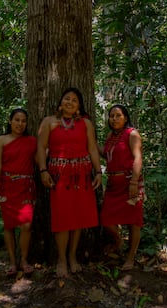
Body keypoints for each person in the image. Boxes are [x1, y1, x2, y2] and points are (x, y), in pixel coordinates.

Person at [37, 87, 102, 278]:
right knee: (63, 219)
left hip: (82, 176)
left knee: (79, 219)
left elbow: (92, 148)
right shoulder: (49, 122)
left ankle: (72, 256)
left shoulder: (86, 123)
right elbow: (41, 147)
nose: (70, 102)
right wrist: (43, 170)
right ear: (60, 102)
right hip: (59, 176)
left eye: (74, 100)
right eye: (67, 98)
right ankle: (61, 259)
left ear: (79, 105)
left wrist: (98, 171)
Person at [0, 108, 37, 276]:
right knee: (9, 225)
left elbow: (40, 158)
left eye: (23, 121)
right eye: (17, 120)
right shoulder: (1, 141)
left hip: (26, 187)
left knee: (26, 224)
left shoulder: (32, 141)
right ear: (10, 121)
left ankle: (23, 259)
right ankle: (12, 261)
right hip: (7, 186)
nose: (20, 124)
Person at [100, 104, 145, 270]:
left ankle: (130, 257)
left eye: (118, 115)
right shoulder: (111, 135)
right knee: (106, 218)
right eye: (111, 116)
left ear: (125, 117)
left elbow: (138, 158)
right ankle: (118, 241)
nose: (114, 119)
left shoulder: (131, 133)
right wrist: (88, 141)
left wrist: (134, 182)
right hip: (113, 185)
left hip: (130, 183)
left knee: (134, 221)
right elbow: (105, 154)